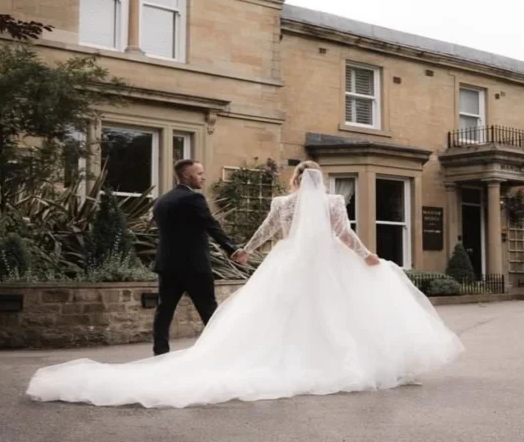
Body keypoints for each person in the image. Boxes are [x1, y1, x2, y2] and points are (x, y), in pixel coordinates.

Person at [25, 161, 464, 408]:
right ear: (319, 182)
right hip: (328, 263)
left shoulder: (281, 202)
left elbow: (267, 231)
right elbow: (343, 235)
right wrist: (366, 255)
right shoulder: (333, 200)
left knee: (280, 313)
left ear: (294, 181)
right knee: (337, 311)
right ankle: (337, 360)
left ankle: (274, 356)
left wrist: (245, 252)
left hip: (287, 261)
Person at [151, 159, 242, 356]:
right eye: (199, 173)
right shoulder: (194, 199)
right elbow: (211, 225)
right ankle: (220, 353)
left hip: (167, 265)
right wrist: (232, 249)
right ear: (185, 175)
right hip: (194, 266)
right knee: (209, 311)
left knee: (164, 311)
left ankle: (160, 353)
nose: (204, 177)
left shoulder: (161, 200)